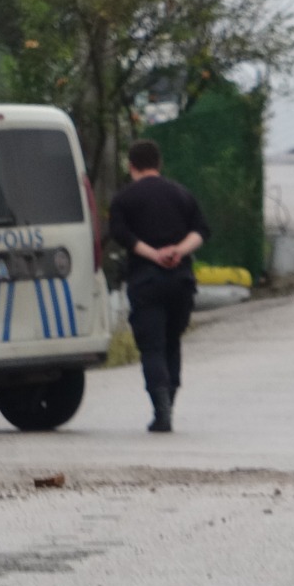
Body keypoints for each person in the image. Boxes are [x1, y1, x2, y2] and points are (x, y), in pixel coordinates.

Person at [108, 139, 211, 433]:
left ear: (131, 166)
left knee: (152, 347)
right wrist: (178, 251)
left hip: (146, 281)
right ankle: (170, 404)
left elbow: (121, 234)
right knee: (172, 342)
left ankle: (161, 410)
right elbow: (202, 230)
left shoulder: (124, 199)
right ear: (159, 163)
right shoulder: (181, 193)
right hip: (181, 282)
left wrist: (154, 254)